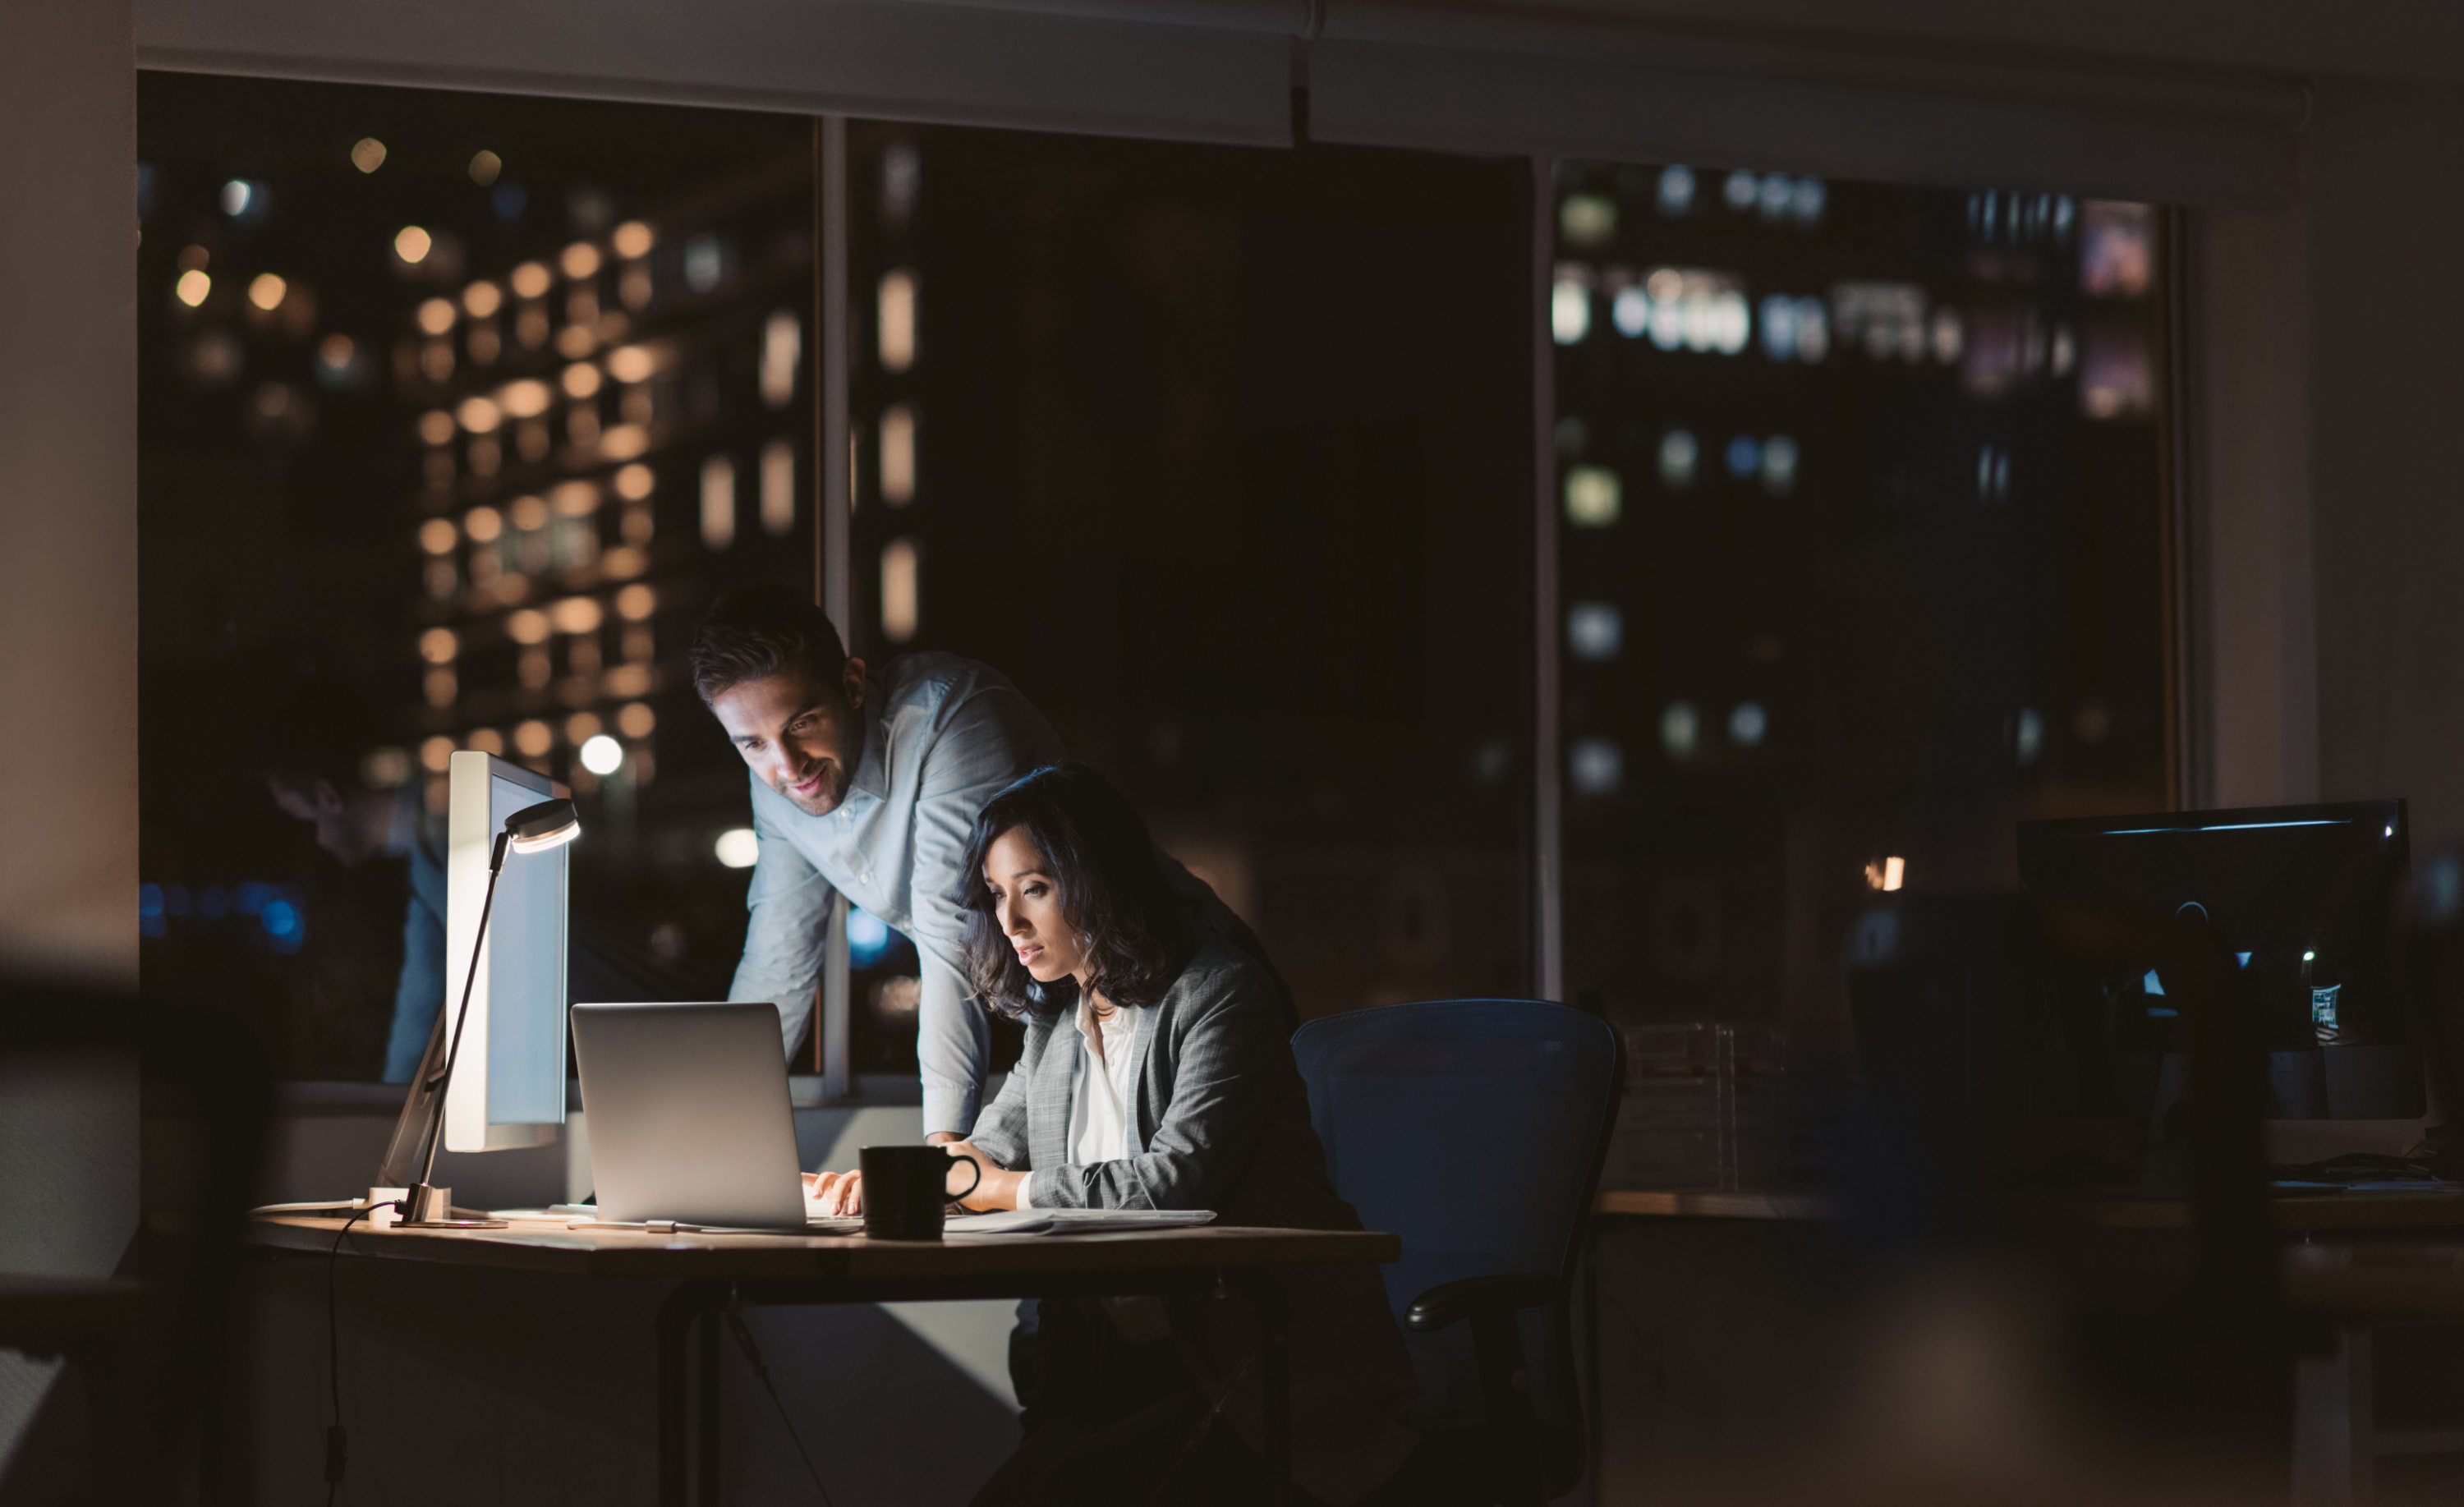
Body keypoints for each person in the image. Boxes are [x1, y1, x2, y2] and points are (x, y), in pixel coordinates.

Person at [810, 765, 1416, 1507]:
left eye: (1034, 888)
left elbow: (1172, 1184)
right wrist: (890, 1183)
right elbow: (983, 1153)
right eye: (998, 895)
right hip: (1137, 1367)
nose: (1010, 922)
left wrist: (992, 1186)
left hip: (1262, 1366)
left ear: (1097, 876)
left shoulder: (1221, 993)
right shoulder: (1057, 1022)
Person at [691, 582, 1280, 1141]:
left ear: (851, 685)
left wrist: (938, 1154)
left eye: (801, 723)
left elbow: (951, 936)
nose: (787, 766)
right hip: (1073, 1018)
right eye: (753, 744)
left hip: (1180, 984)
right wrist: (700, 1147)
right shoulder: (777, 789)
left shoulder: (953, 716)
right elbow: (776, 962)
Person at [265, 754, 447, 1084]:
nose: (318, 840)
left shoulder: (445, 841)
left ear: (328, 796)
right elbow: (422, 991)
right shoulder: (424, 858)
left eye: (302, 818)